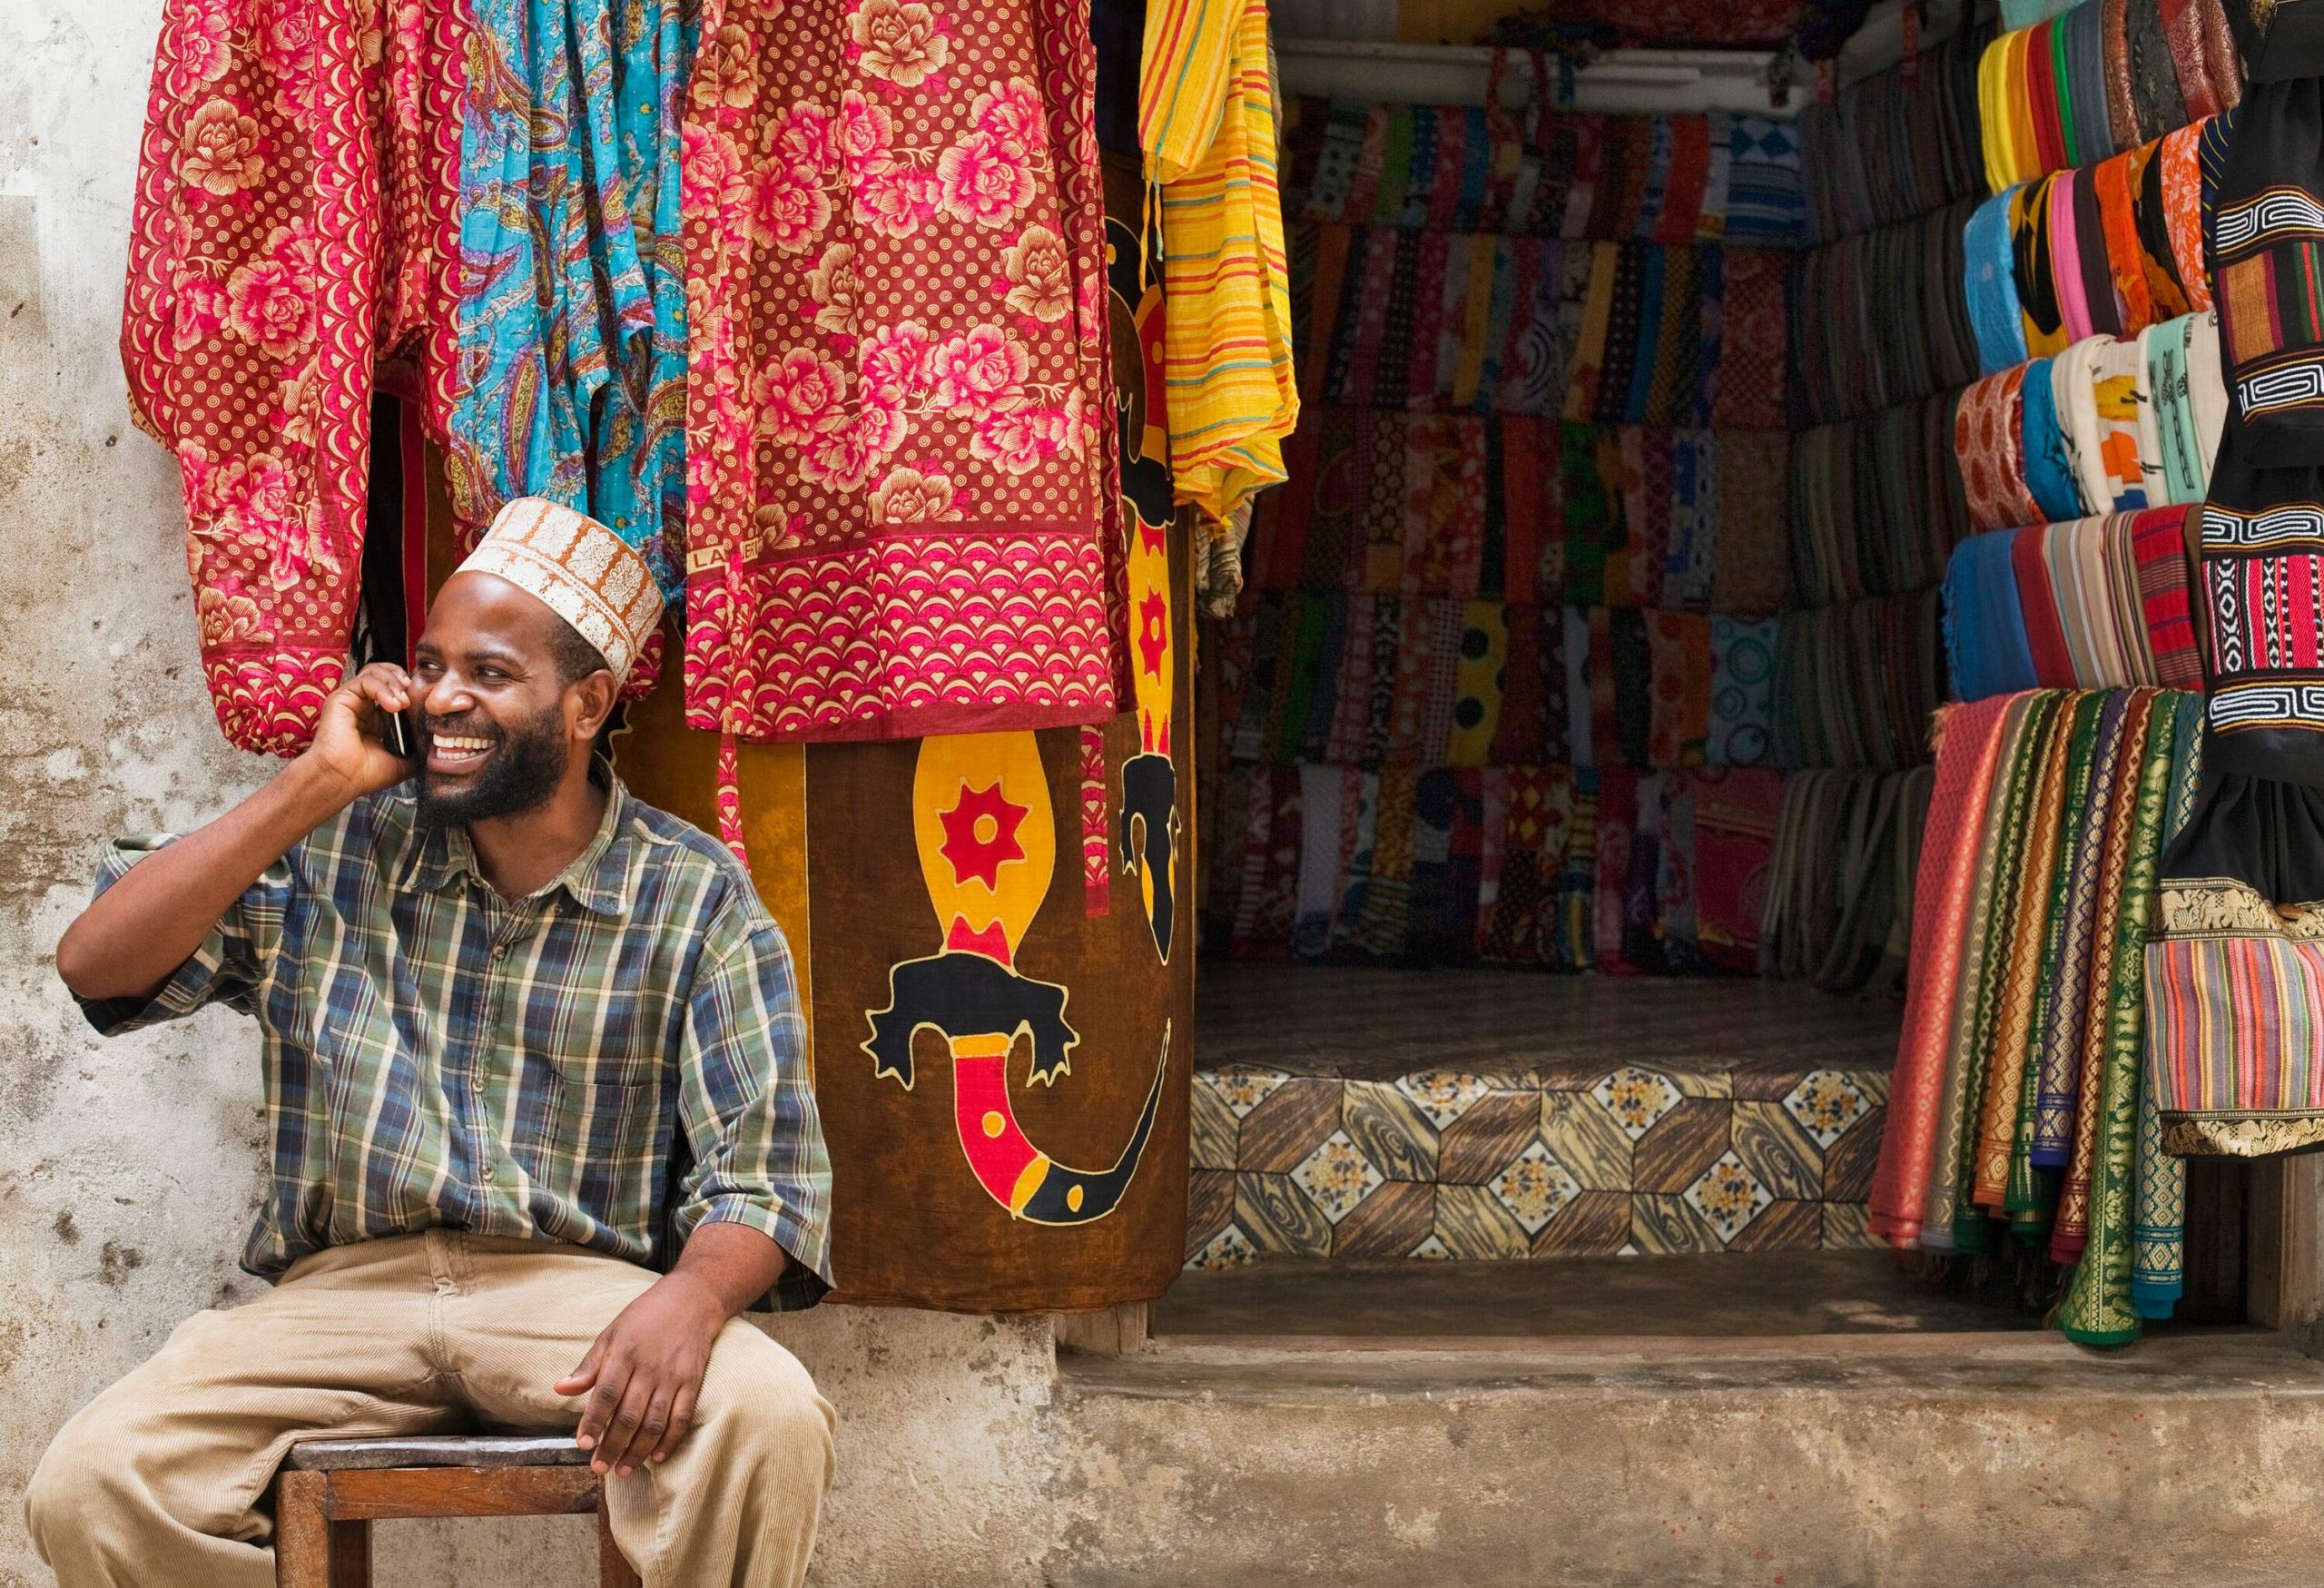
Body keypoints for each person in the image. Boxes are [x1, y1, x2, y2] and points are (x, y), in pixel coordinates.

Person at [27, 498, 836, 1587]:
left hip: (573, 1295)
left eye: (491, 674)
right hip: (340, 1300)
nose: (444, 697)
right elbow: (96, 966)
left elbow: (767, 1176)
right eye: (431, 665)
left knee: (771, 1414)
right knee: (94, 1480)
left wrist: (689, 1301)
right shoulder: (339, 842)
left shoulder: (694, 897)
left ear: (587, 702)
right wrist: (317, 783)